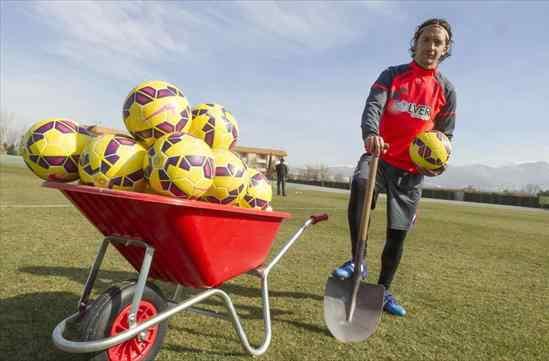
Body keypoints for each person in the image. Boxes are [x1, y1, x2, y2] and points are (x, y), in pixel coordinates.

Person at [332, 18, 457, 317]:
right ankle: (357, 261)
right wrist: (370, 134)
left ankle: (383, 291)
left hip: (411, 173)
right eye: (426, 39)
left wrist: (439, 161)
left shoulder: (446, 90)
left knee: (397, 235)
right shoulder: (392, 75)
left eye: (438, 42)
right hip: (380, 157)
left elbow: (445, 136)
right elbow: (373, 105)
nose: (431, 46)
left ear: (445, 49)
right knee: (361, 185)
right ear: (416, 43)